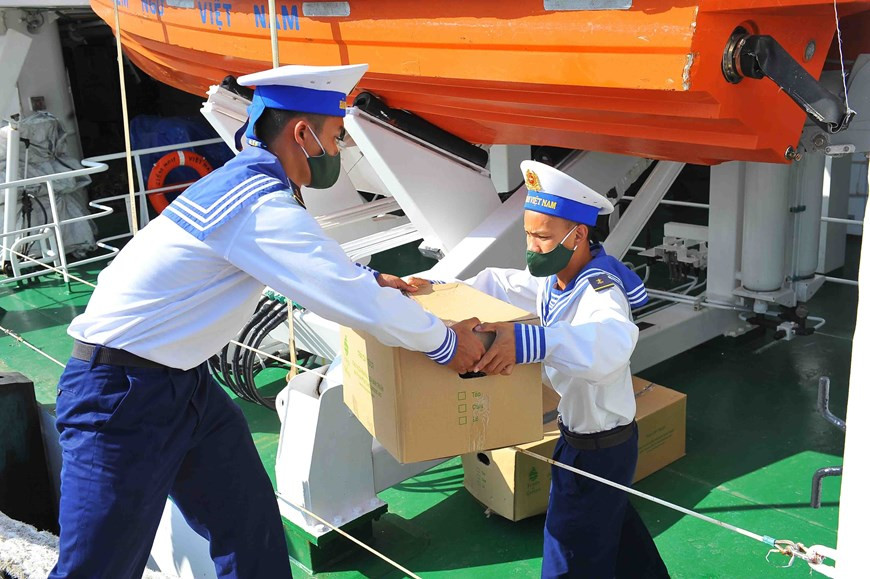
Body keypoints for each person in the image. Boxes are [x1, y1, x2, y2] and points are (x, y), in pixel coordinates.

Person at [50, 63, 484, 579]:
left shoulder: (246, 186)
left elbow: (318, 267)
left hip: (184, 383)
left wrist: (376, 279)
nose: (340, 150)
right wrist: (444, 343)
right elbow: (343, 296)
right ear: (302, 134)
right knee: (96, 568)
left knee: (249, 530)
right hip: (120, 395)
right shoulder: (256, 203)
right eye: (336, 136)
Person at [412, 160, 669, 578]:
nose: (531, 246)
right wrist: (434, 285)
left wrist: (529, 343)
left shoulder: (599, 291)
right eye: (528, 234)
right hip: (582, 438)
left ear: (578, 235)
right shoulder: (557, 279)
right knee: (619, 537)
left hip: (598, 447)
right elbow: (499, 282)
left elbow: (611, 345)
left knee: (568, 552)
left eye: (543, 237)